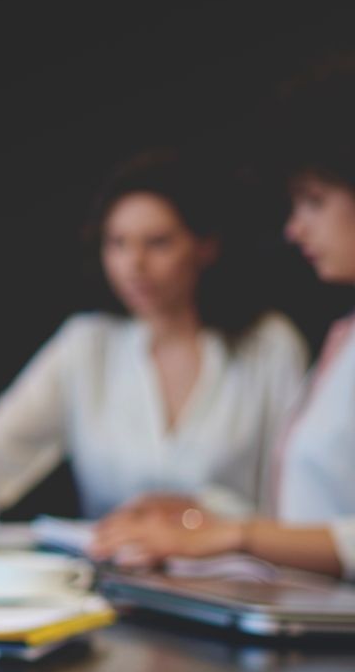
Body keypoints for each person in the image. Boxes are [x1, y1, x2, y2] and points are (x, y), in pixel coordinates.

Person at [0, 151, 306, 519]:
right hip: (113, 572)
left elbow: (298, 497)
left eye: (158, 243)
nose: (134, 265)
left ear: (205, 246)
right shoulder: (89, 344)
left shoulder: (268, 346)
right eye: (118, 243)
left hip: (238, 576)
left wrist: (203, 518)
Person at [93, 76, 355, 578]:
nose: (295, 228)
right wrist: (199, 516)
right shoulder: (342, 337)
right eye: (118, 243)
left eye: (315, 202)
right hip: (300, 618)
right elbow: (304, 517)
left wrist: (236, 534)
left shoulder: (269, 345)